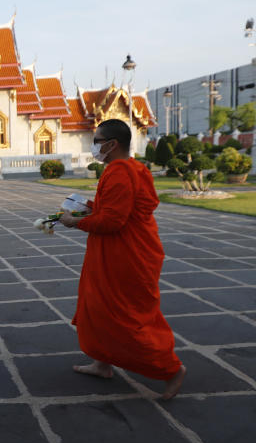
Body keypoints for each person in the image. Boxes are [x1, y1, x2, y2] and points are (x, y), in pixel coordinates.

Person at [59, 119, 186, 400]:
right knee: (99, 308)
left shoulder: (119, 172)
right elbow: (115, 209)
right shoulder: (132, 168)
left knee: (127, 318)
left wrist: (73, 222)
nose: (94, 145)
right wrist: (88, 207)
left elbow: (113, 221)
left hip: (125, 256)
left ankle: (171, 370)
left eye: (97, 140)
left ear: (112, 144)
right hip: (118, 252)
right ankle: (102, 363)